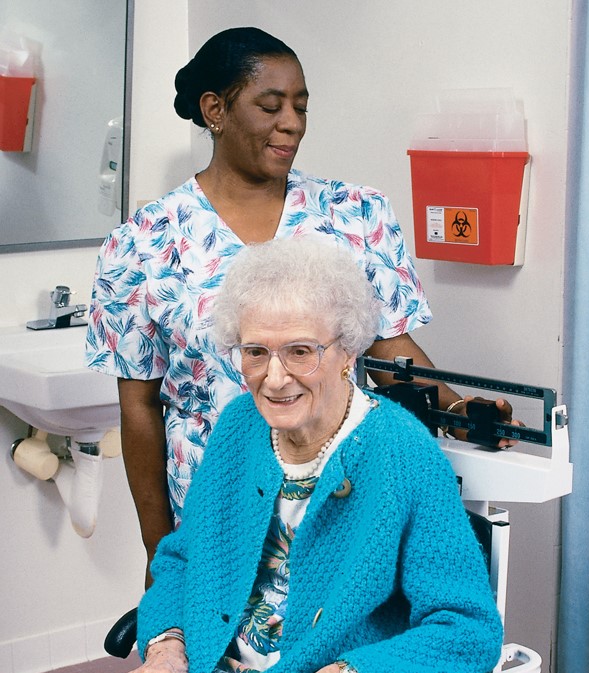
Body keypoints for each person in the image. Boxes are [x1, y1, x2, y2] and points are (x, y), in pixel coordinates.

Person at [58, 238, 503, 673]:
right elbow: (184, 559)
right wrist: (167, 641)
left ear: (346, 349)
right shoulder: (241, 427)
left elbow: (466, 628)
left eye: (299, 351)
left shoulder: (401, 455)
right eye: (255, 352)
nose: (273, 378)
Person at [85, 26, 517, 587]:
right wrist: (159, 553)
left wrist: (459, 413)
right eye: (270, 106)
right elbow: (140, 408)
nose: (291, 122)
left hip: (342, 493)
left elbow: (390, 354)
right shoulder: (141, 243)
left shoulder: (353, 215)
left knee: (330, 654)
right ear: (216, 110)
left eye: (300, 106)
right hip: (215, 508)